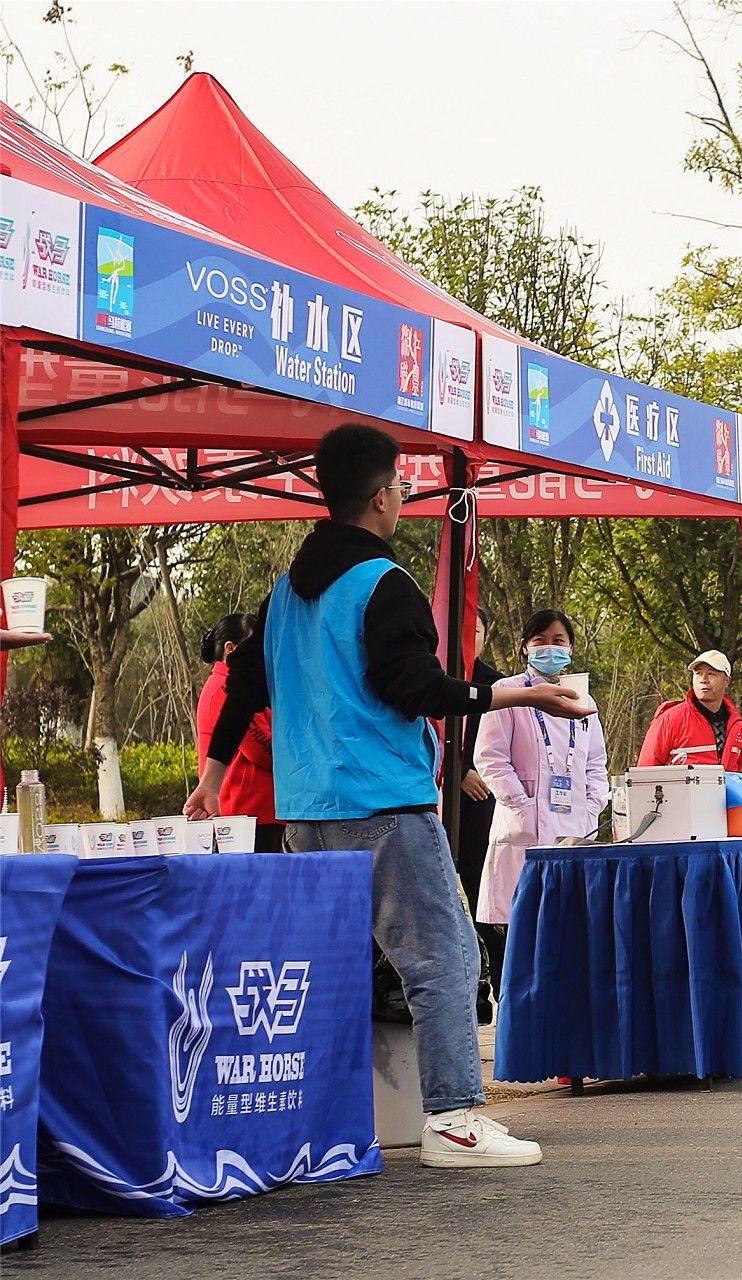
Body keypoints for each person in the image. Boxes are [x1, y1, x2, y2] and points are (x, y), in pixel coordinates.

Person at [186, 422, 586, 1169]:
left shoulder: (284, 593)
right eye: (400, 484)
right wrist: (510, 692)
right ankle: (453, 1120)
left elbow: (244, 687)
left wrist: (210, 779)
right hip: (383, 807)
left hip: (305, 816)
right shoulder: (383, 584)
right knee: (443, 959)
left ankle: (326, 1121)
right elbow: (412, 688)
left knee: (336, 972)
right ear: (379, 497)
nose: (403, 494)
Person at [474, 608, 610, 932]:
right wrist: (522, 804)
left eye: (558, 640)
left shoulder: (583, 698)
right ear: (525, 647)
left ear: (571, 648)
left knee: (571, 927)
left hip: (575, 825)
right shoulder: (507, 692)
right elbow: (490, 758)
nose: (550, 647)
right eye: (540, 640)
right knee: (523, 929)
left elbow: (595, 763)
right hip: (523, 825)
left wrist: (592, 807)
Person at [194, 612, 281, 852]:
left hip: (252, 816)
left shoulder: (222, 686)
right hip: (248, 817)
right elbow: (261, 749)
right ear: (231, 650)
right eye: (251, 649)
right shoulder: (228, 690)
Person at [456, 608, 505, 1023]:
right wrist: (457, 772)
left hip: (479, 805)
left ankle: (496, 985)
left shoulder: (496, 684)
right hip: (429, 798)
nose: (468, 635)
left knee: (481, 896)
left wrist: (478, 775)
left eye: (476, 629)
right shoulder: (430, 675)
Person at [637, 648, 742, 771]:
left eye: (711, 673)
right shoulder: (669, 719)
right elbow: (644, 773)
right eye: (698, 673)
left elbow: (736, 773)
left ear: (727, 681)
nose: (703, 679)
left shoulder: (739, 726)